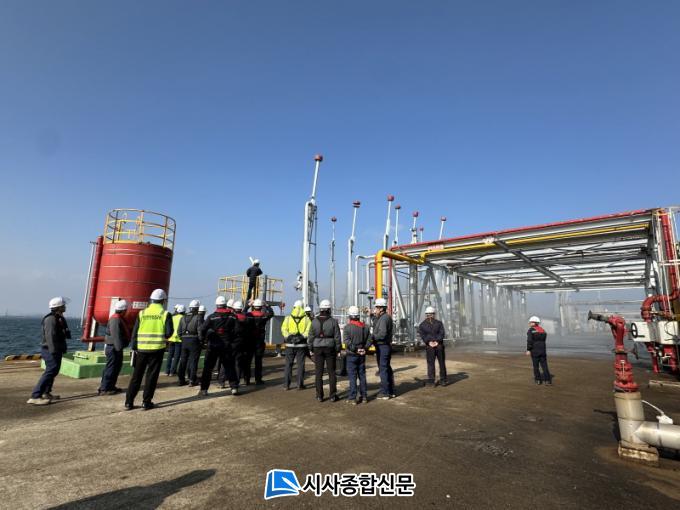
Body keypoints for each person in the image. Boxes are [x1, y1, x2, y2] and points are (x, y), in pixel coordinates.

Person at [125, 289, 174, 410]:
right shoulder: (165, 314)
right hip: (157, 350)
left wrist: (134, 347)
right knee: (151, 376)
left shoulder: (142, 313)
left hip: (141, 349)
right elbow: (169, 333)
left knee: (136, 376)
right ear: (163, 301)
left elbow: (135, 332)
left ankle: (128, 402)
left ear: (151, 300)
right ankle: (146, 402)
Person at [27, 296, 71, 405]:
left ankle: (46, 392)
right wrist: (54, 351)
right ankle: (35, 396)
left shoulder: (58, 317)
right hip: (50, 350)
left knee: (53, 371)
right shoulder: (51, 319)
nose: (65, 306)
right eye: (63, 305)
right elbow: (50, 336)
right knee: (50, 371)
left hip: (55, 349)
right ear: (59, 307)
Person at [199, 296, 239, 396]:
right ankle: (234, 387)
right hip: (227, 345)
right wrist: (231, 340)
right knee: (229, 366)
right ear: (225, 305)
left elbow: (202, 329)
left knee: (208, 368)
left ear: (217, 305)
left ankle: (204, 389)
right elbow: (237, 331)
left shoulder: (211, 317)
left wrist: (203, 340)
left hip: (213, 345)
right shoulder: (233, 317)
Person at [308, 299, 342, 402]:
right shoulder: (333, 321)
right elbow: (337, 337)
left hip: (317, 348)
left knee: (319, 372)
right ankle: (333, 395)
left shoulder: (314, 321)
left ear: (321, 309)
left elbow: (310, 336)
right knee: (331, 372)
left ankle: (319, 395)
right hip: (330, 348)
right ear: (329, 309)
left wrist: (310, 348)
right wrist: (338, 349)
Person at [98, 299, 130, 395]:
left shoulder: (117, 318)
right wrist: (119, 348)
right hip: (114, 348)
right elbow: (116, 335)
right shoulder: (115, 319)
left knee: (115, 368)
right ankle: (104, 388)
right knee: (111, 368)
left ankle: (110, 386)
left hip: (115, 347)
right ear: (123, 310)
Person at [344, 306, 371, 405]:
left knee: (352, 377)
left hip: (352, 354)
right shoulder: (365, 327)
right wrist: (365, 349)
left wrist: (356, 349)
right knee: (362, 376)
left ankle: (352, 397)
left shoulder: (347, 328)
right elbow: (369, 339)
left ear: (350, 316)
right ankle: (364, 397)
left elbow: (347, 341)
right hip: (362, 355)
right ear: (358, 316)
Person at [281, 300, 311, 390]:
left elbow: (283, 329)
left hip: (290, 345)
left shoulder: (288, 318)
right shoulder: (307, 319)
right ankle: (300, 385)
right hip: (301, 345)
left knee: (288, 365)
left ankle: (286, 385)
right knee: (300, 365)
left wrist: (289, 337)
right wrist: (301, 337)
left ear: (294, 307)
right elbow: (308, 331)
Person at [246, 298, 274, 385]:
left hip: (249, 341)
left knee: (248, 361)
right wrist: (267, 305)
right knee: (258, 361)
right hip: (259, 341)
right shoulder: (263, 315)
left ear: (253, 307)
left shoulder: (248, 315)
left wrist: (247, 306)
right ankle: (258, 380)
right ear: (261, 307)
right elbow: (271, 313)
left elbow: (242, 313)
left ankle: (247, 380)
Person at [418, 306, 448, 386]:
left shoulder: (422, 325)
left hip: (431, 346)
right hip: (438, 345)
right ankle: (443, 380)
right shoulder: (439, 323)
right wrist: (436, 341)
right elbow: (442, 333)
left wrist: (430, 342)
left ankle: (432, 381)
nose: (430, 316)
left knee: (431, 363)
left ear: (426, 314)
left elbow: (423, 336)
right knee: (441, 363)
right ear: (434, 314)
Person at [372, 298, 395, 400]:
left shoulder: (384, 319)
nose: (375, 309)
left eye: (376, 308)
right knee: (387, 368)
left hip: (383, 346)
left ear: (381, 308)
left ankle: (385, 393)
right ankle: (390, 391)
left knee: (383, 369)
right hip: (384, 346)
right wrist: (373, 316)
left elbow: (382, 334)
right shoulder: (383, 317)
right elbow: (377, 324)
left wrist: (372, 337)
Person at [177, 299, 203, 387]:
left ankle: (181, 380)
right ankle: (192, 380)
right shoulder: (198, 317)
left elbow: (179, 331)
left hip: (184, 340)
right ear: (197, 308)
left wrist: (182, 338)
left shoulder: (182, 317)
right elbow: (199, 330)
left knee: (183, 360)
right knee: (193, 361)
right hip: (194, 340)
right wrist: (201, 340)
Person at [526, 316, 552, 385]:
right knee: (544, 366)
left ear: (534, 323)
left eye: (530, 322)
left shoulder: (531, 330)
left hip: (535, 351)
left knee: (536, 366)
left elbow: (529, 341)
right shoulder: (543, 330)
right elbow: (543, 340)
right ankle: (548, 380)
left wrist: (528, 349)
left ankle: (538, 380)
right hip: (543, 350)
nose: (529, 323)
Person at [232, 301, 253, 385]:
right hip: (246, 342)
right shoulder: (246, 318)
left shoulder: (232, 318)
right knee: (246, 362)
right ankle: (246, 380)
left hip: (235, 342)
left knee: (235, 361)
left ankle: (234, 381)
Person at [166, 304, 185, 376]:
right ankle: (172, 371)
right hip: (179, 339)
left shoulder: (173, 317)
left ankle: (167, 371)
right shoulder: (183, 318)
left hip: (171, 338)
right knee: (176, 356)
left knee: (170, 355)